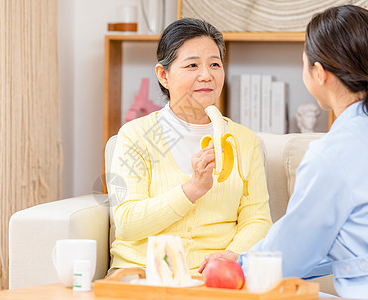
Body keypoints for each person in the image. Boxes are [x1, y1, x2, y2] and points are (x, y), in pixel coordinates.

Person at [200, 5, 368, 299]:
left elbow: (295, 248)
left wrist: (240, 264)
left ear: (318, 73)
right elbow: (335, 246)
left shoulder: (333, 154)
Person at [108, 18, 272, 275]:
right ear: (164, 76)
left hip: (211, 277)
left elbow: (258, 219)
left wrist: (230, 256)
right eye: (192, 65)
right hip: (142, 273)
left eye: (215, 64)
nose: (206, 75)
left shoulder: (244, 141)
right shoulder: (137, 136)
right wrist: (192, 189)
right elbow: (127, 223)